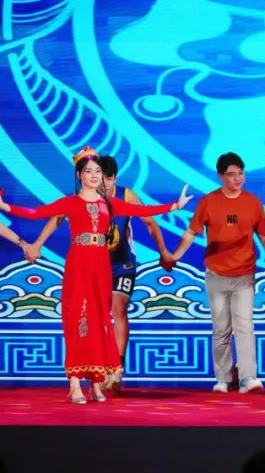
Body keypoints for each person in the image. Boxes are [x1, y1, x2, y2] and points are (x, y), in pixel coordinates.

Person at [0, 147, 191, 404]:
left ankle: (96, 381)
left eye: (98, 171)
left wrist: (175, 206)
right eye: (89, 171)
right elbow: (36, 213)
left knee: (101, 319)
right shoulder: (70, 203)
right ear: (79, 175)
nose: (94, 175)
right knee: (79, 318)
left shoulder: (109, 204)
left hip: (102, 264)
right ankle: (74, 383)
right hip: (79, 263)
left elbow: (143, 212)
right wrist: (5, 206)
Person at [165, 152, 265, 395]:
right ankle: (223, 378)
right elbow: (191, 233)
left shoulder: (252, 202)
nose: (237, 178)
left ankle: (248, 378)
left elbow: (264, 236)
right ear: (221, 176)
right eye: (232, 175)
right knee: (221, 329)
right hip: (217, 275)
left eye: (241, 174)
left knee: (244, 326)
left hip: (244, 275)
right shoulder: (209, 202)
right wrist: (175, 255)